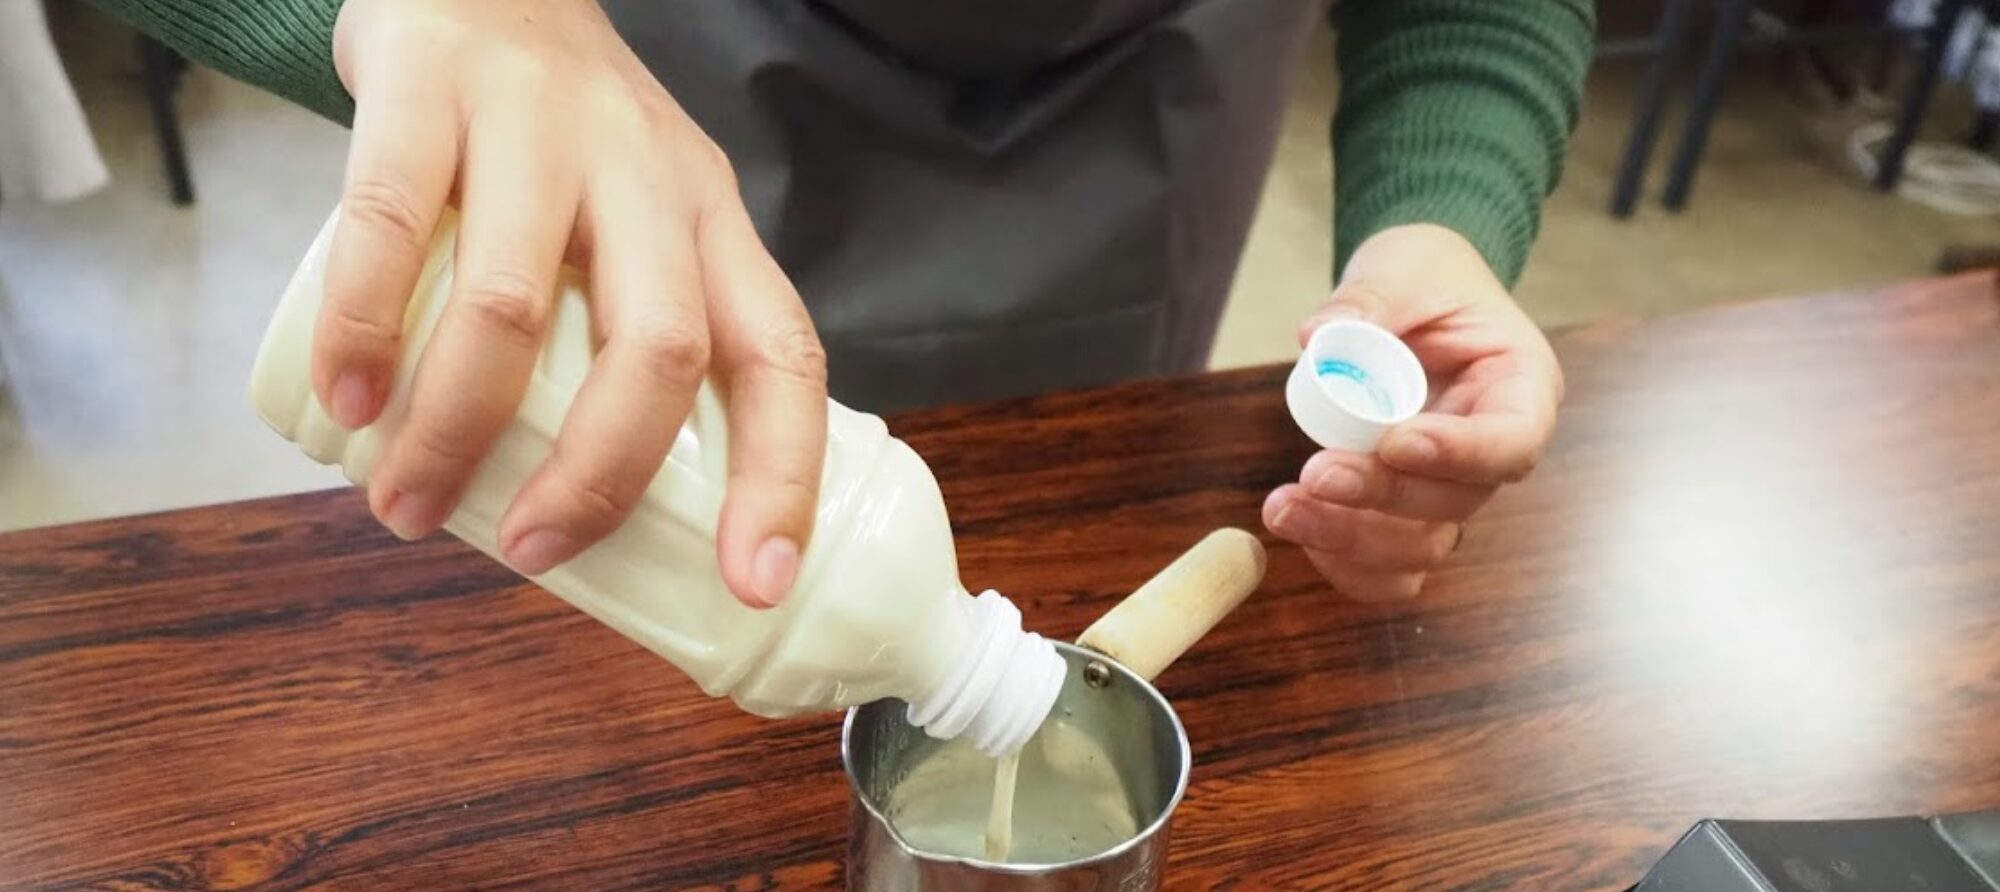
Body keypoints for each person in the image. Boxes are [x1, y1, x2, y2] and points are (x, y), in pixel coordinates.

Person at [89, 0, 1588, 610]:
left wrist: (1441, 215)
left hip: (1154, 116)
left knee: (1056, 512)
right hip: (654, 58)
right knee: (618, 486)